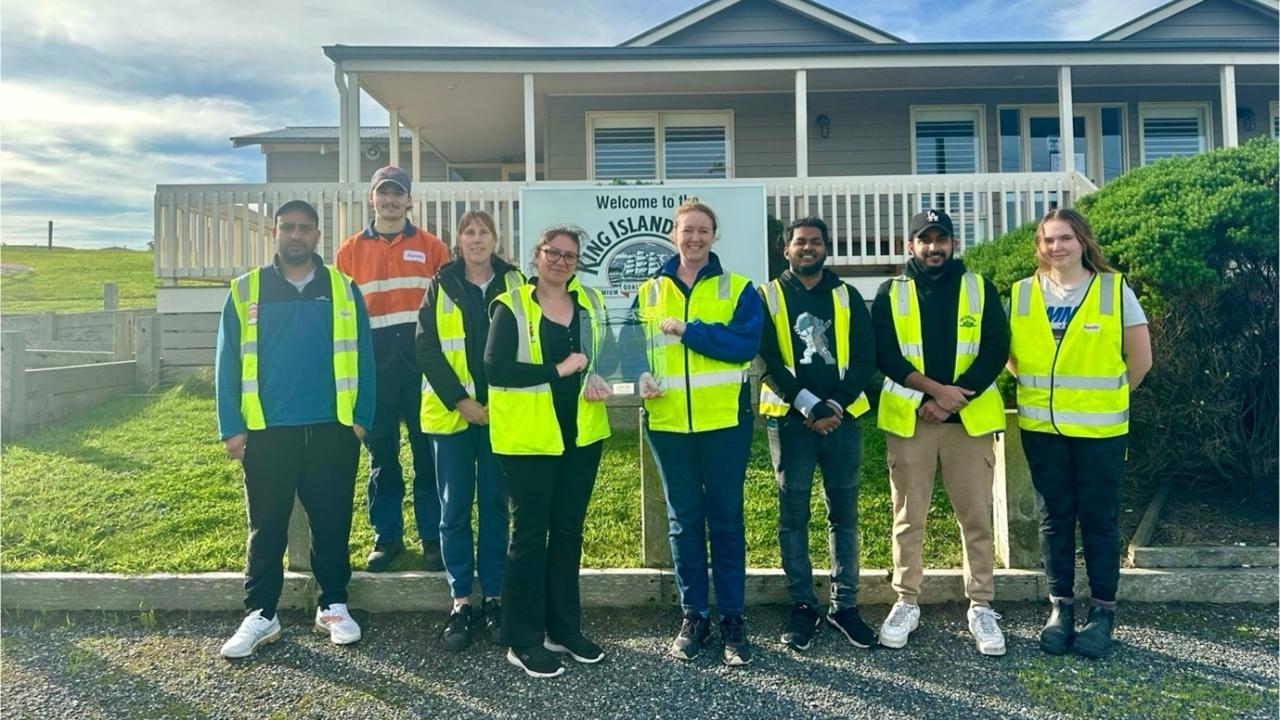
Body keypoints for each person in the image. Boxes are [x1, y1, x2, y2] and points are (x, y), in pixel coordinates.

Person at [215, 199, 375, 658]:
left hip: (332, 428)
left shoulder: (343, 289)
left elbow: (365, 357)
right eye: (288, 227)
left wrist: (360, 419)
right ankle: (261, 613)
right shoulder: (247, 290)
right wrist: (232, 426)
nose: (296, 235)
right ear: (275, 233)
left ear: (317, 235)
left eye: (305, 228)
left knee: (332, 523)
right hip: (268, 430)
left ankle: (334, 605)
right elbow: (227, 363)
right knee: (266, 527)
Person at [1008, 208, 1151, 659]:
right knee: (1054, 518)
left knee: (1099, 519)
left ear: (1083, 242)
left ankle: (1102, 613)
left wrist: (1103, 397)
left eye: (1066, 238)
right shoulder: (1023, 293)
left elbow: (1140, 360)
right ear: (1039, 246)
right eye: (1048, 240)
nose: (1057, 247)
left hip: (1100, 430)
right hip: (1042, 428)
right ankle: (1060, 608)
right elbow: (1011, 356)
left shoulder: (1113, 290)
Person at [871, 209, 1009, 656]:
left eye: (941, 239)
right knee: (909, 518)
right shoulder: (890, 292)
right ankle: (907, 600)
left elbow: (994, 349)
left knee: (975, 518)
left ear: (953, 243)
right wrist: (933, 394)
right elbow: (885, 354)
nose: (934, 247)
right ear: (910, 245)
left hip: (966, 422)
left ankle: (982, 605)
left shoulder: (979, 288)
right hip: (913, 419)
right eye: (924, 239)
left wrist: (954, 398)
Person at [636, 201, 763, 666]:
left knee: (726, 520)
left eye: (703, 230)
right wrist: (640, 376)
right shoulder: (649, 292)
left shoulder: (740, 288)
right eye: (687, 230)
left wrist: (691, 331)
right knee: (684, 520)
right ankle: (694, 616)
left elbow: (743, 346)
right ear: (673, 235)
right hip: (668, 425)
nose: (695, 238)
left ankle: (732, 618)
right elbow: (635, 351)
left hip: (724, 425)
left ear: (714, 236)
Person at [485, 225, 611, 678]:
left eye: (570, 256)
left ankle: (563, 629)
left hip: (580, 437)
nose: (560, 261)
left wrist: (597, 376)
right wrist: (558, 369)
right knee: (531, 537)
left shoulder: (590, 304)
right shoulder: (512, 305)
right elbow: (495, 370)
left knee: (569, 534)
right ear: (535, 256)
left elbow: (604, 359)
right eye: (552, 253)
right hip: (529, 440)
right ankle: (521, 639)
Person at [758, 217, 877, 652]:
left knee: (843, 514)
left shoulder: (847, 296)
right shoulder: (766, 296)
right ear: (784, 248)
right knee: (794, 516)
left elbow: (867, 358)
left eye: (816, 242)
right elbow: (765, 357)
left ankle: (845, 606)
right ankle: (803, 606)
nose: (808, 248)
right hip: (791, 421)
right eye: (800, 242)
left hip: (843, 421)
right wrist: (808, 404)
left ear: (827, 248)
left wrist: (835, 405)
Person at [416, 210, 524, 652]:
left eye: (484, 232)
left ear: (495, 239)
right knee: (454, 509)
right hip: (452, 417)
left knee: (496, 506)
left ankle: (494, 597)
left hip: (502, 415)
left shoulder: (517, 284)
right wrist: (461, 401)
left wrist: (492, 406)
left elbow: (527, 342)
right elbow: (426, 347)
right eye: (468, 232)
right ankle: (461, 601)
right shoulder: (440, 284)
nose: (476, 239)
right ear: (457, 241)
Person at [336, 166, 449, 572]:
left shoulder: (433, 247)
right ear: (372, 199)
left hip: (421, 364)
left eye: (397, 194)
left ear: (408, 201)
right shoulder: (348, 252)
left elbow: (444, 310)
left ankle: (433, 536)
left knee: (427, 454)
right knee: (382, 457)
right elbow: (344, 316)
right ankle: (387, 538)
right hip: (375, 365)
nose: (390, 201)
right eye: (383, 194)